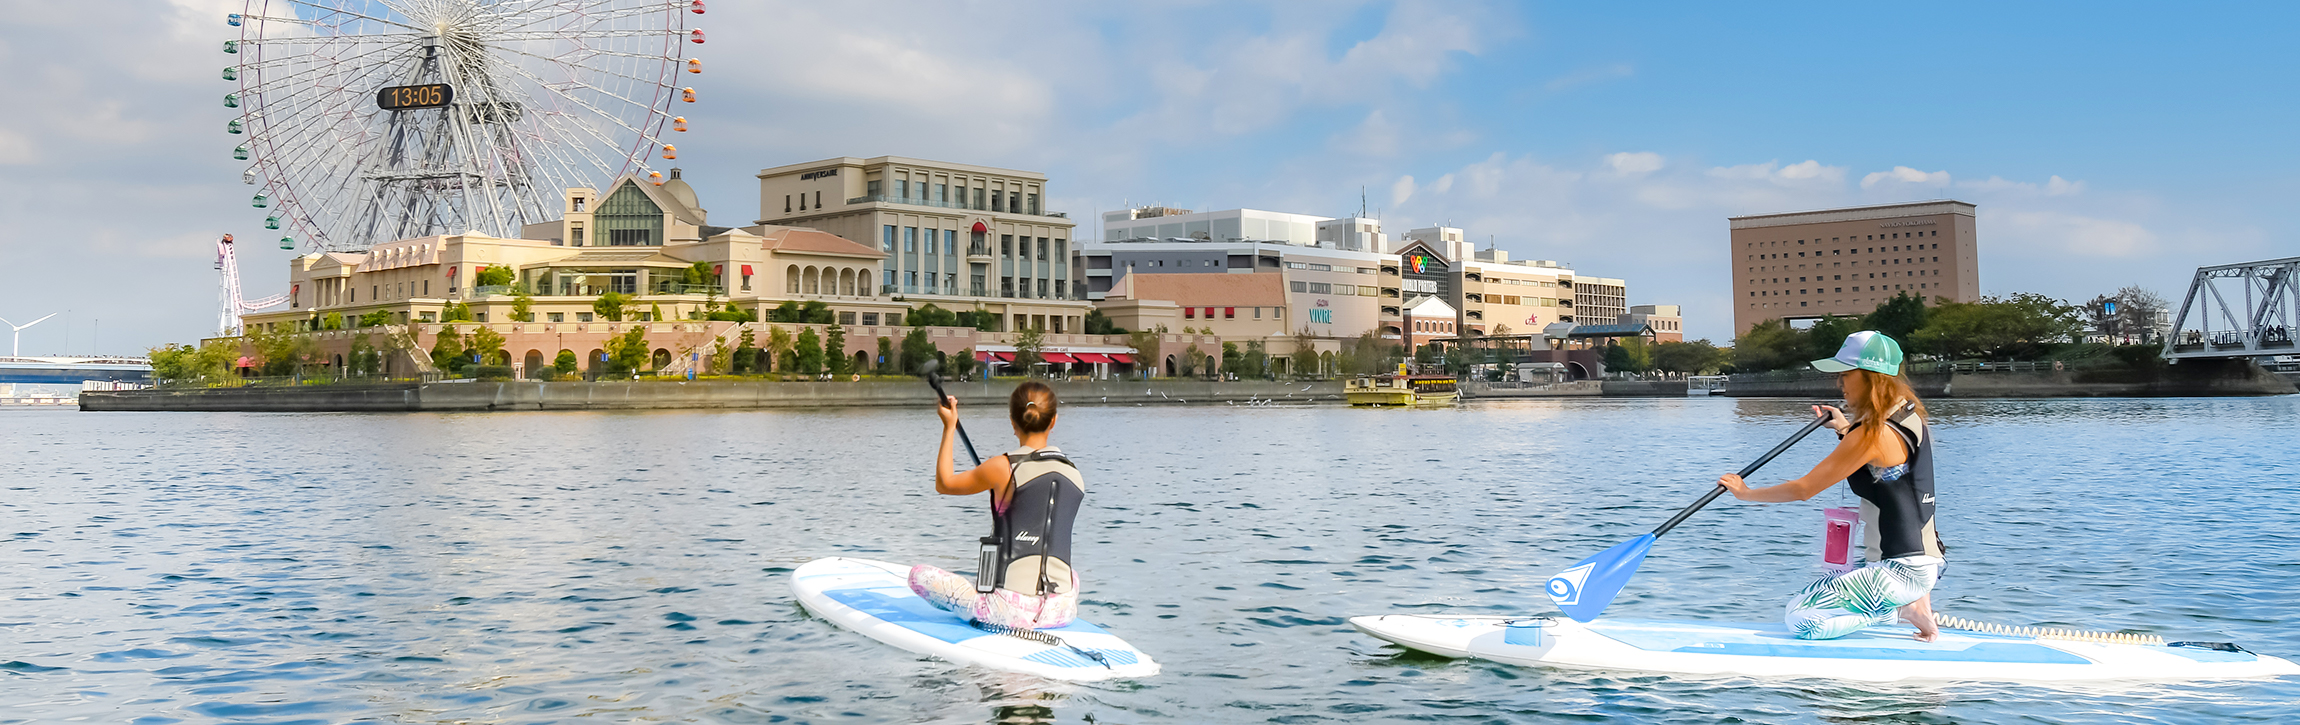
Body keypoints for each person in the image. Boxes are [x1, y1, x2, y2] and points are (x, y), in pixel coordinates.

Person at [1716, 331, 1946, 641]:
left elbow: (1804, 489)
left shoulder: (1869, 434)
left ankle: (1898, 611)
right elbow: (1884, 466)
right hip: (1924, 561)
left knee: (1801, 617)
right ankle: (1908, 605)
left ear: (1870, 377)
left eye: (1845, 375)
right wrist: (1843, 428)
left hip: (1902, 572)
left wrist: (1746, 493)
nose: (1839, 384)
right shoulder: (1910, 416)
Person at [908, 381, 1084, 630]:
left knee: (918, 575)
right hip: (1063, 609)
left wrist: (949, 427)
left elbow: (944, 483)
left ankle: (986, 605)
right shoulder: (1075, 474)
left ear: (1012, 421)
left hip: (1007, 612)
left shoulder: (1002, 467)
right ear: (1053, 420)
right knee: (1070, 575)